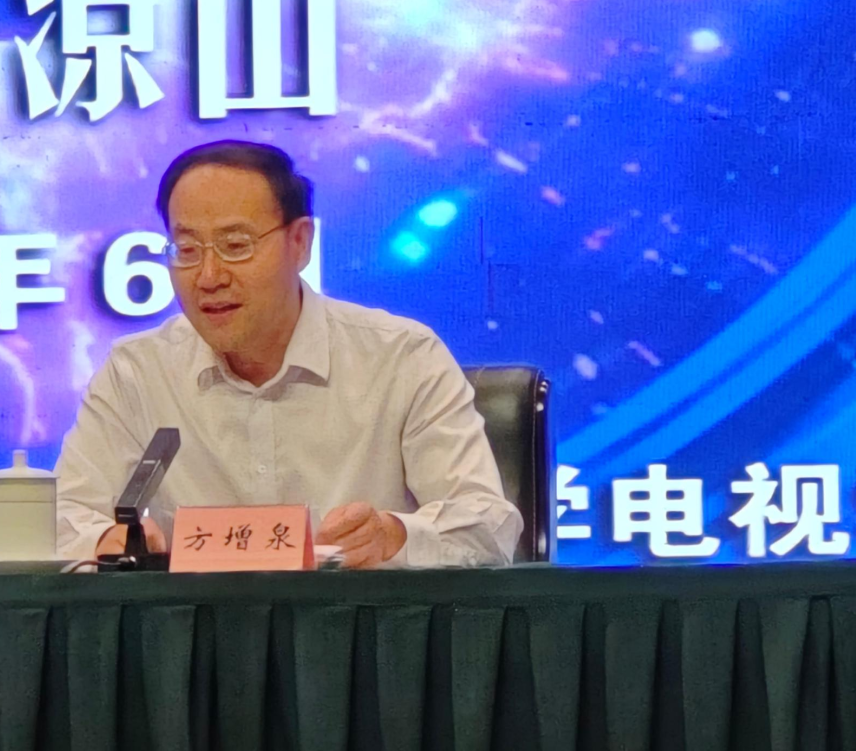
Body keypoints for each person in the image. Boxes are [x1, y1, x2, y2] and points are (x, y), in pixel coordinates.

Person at [55, 141, 521, 568]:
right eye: (188, 249)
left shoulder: (403, 357)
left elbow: (487, 526)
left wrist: (395, 536)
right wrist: (103, 540)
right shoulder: (137, 372)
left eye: (235, 246)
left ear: (300, 243)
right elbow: (62, 517)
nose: (209, 276)